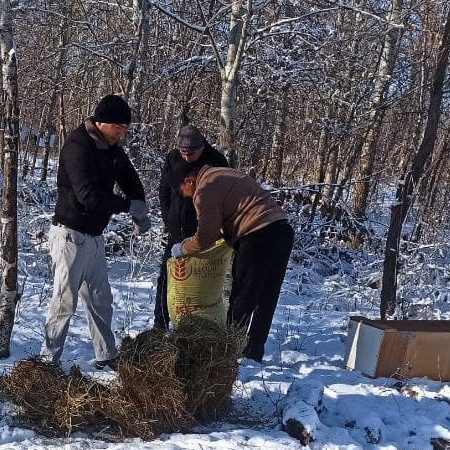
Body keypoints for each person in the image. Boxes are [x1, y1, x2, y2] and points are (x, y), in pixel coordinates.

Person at [41, 94, 150, 370]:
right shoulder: (78, 146)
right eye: (119, 127)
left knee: (102, 301)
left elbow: (130, 179)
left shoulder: (113, 149)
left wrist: (140, 206)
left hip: (94, 237)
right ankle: (48, 361)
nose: (122, 133)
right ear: (102, 122)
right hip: (70, 235)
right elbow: (87, 195)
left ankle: (106, 355)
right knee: (64, 302)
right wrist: (127, 206)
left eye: (125, 129)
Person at [173, 165, 294, 362]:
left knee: (243, 298)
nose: (186, 196)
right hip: (282, 230)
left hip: (257, 237)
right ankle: (254, 352)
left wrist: (183, 248)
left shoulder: (204, 189)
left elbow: (205, 237)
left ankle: (228, 353)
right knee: (267, 297)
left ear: (189, 181)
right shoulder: (223, 173)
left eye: (183, 191)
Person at [154, 125, 229, 328]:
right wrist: (168, 219)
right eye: (183, 153)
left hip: (203, 231)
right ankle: (160, 324)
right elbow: (164, 191)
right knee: (167, 276)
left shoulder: (217, 161)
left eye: (192, 154)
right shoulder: (172, 158)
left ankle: (198, 325)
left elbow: (223, 199)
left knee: (201, 278)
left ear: (202, 147)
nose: (186, 157)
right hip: (176, 228)